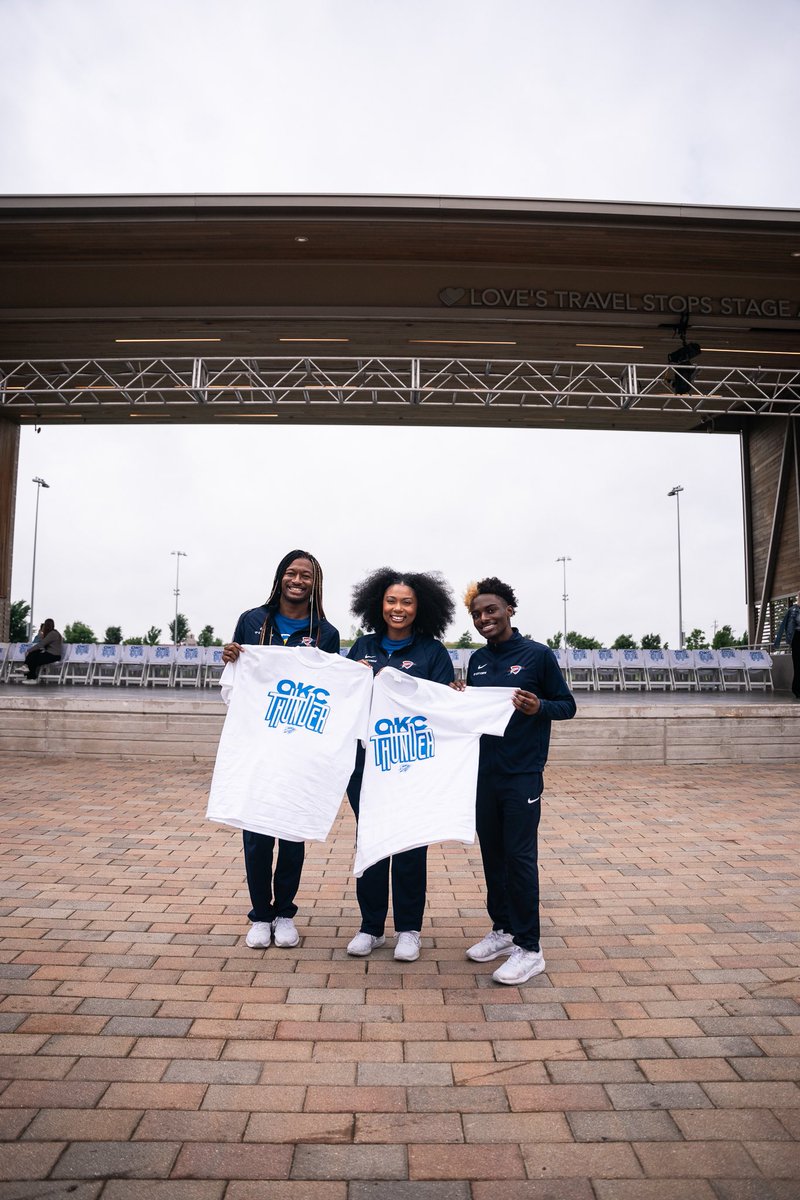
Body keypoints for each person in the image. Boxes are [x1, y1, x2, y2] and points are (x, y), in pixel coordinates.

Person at [460, 577, 575, 985]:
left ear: (510, 609)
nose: (484, 618)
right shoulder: (477, 661)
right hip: (483, 773)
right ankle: (504, 930)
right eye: (476, 614)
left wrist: (538, 706)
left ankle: (530, 948)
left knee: (520, 860)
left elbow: (567, 706)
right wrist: (461, 695)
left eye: (491, 610)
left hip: (522, 774)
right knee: (492, 856)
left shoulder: (537, 655)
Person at [222, 549, 340, 950]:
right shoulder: (252, 621)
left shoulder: (326, 632)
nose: (298, 580)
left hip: (299, 750)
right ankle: (260, 915)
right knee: (256, 834)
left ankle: (285, 913)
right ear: (279, 577)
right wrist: (233, 657)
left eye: (306, 575)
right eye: (291, 573)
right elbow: (238, 679)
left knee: (292, 833)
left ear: (315, 583)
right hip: (258, 745)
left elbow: (331, 690)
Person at [345, 568, 455, 962]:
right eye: (391, 600)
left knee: (410, 844)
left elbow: (441, 709)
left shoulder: (433, 653)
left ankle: (409, 929)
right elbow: (344, 701)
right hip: (366, 763)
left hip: (411, 764)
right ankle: (370, 927)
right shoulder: (362, 647)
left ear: (420, 608)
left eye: (407, 602)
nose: (398, 608)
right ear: (378, 604)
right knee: (370, 841)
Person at [774, 597, 800, 700]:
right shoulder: (792, 610)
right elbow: (783, 625)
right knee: (798, 664)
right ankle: (797, 689)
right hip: (797, 638)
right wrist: (778, 642)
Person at [22, 618, 62, 683]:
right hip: (50, 654)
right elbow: (42, 644)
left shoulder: (53, 634)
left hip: (54, 655)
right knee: (34, 654)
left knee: (34, 657)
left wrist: (28, 650)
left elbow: (41, 644)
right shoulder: (52, 633)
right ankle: (27, 670)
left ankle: (32, 677)